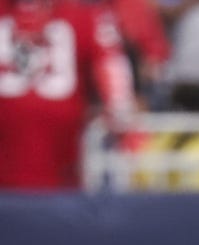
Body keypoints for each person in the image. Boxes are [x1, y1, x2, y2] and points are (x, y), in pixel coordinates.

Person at [0, 0, 137, 189]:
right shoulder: (86, 15)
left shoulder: (84, 15)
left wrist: (119, 112)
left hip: (62, 168)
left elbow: (113, 73)